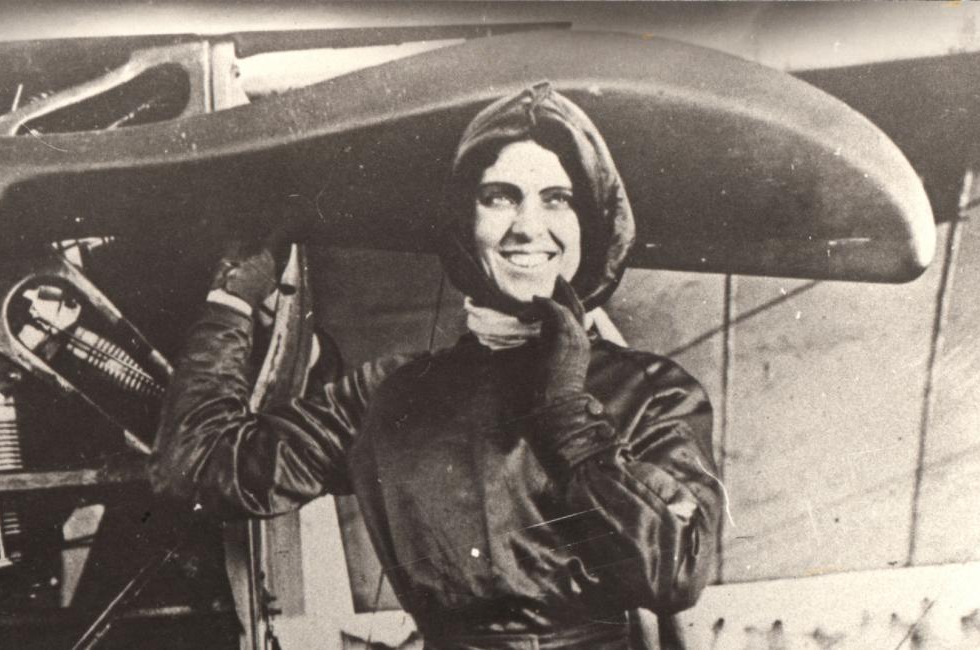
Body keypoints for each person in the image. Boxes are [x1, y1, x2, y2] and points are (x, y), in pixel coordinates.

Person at [151, 84, 723, 650]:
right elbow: (197, 467)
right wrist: (230, 304)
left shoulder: (653, 393)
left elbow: (674, 571)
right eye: (499, 196)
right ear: (462, 221)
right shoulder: (388, 395)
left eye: (558, 198)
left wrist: (571, 418)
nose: (528, 225)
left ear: (593, 223)